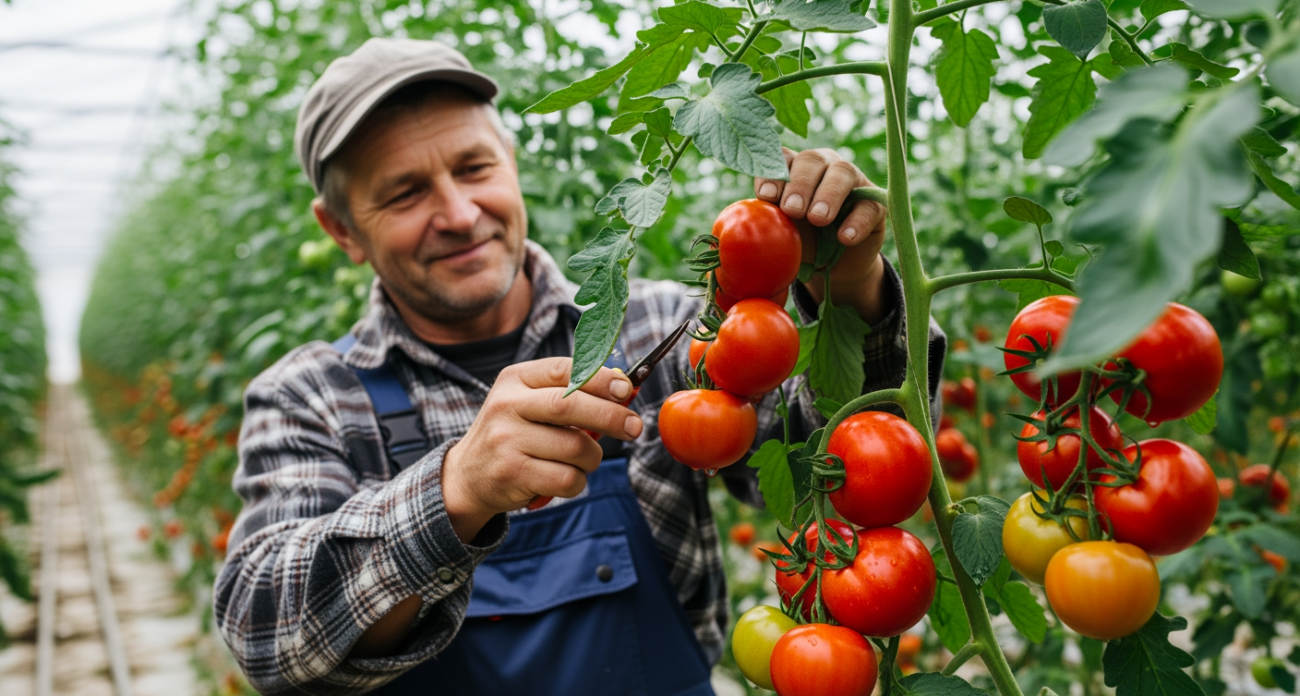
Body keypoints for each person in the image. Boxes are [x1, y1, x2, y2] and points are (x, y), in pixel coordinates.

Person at [213, 37, 945, 696]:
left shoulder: (666, 331)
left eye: (475, 168)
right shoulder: (311, 397)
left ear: (511, 163)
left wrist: (850, 291)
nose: (461, 213)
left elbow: (843, 467)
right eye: (405, 193)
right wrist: (456, 490)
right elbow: (264, 636)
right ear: (339, 228)